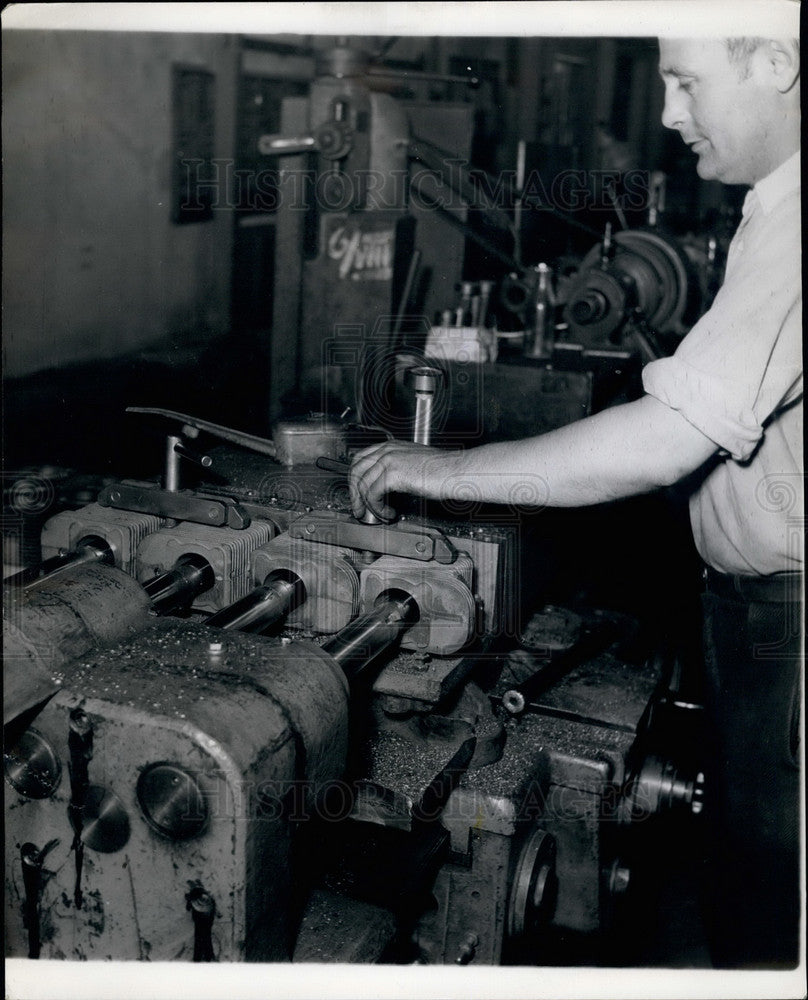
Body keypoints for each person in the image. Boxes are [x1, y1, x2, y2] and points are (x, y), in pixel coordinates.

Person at [350, 37, 802, 968]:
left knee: (769, 905)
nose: (671, 115)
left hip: (788, 628)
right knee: (744, 876)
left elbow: (670, 436)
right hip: (753, 614)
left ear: (776, 61)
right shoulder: (774, 212)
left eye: (687, 82)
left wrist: (439, 472)